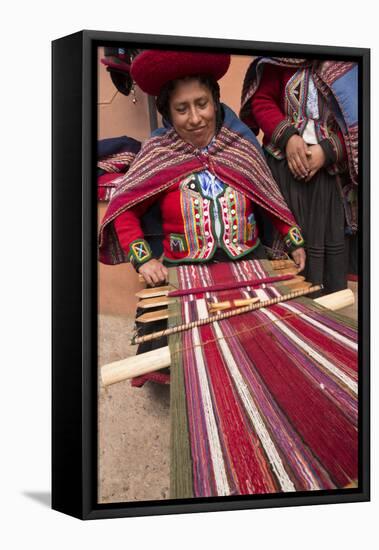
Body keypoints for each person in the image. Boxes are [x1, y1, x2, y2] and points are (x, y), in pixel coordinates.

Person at [99, 50, 306, 286]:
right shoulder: (158, 152)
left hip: (250, 267)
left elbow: (269, 197)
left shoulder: (240, 144)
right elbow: (125, 210)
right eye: (182, 109)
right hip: (183, 275)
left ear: (215, 103)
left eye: (202, 104)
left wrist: (293, 239)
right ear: (168, 112)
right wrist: (143, 259)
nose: (195, 118)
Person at [240, 57, 358, 295]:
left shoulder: (352, 67)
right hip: (283, 176)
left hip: (329, 180)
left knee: (326, 270)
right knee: (284, 254)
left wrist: (327, 152)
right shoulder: (280, 61)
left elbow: (362, 123)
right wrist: (288, 138)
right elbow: (262, 101)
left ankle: (324, 322)